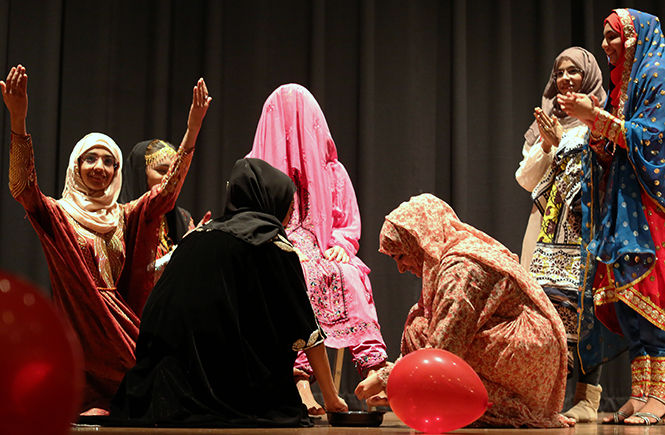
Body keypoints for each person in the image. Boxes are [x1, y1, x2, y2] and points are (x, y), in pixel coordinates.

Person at [2, 64, 211, 414]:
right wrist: (18, 121)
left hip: (121, 326)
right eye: (90, 159)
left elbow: (166, 194)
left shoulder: (125, 215)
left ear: (117, 172)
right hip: (79, 325)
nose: (100, 167)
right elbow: (21, 187)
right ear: (75, 166)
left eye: (109, 162)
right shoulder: (58, 214)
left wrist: (192, 130)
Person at [92, 158, 347, 427]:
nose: (289, 215)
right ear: (273, 201)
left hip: (156, 391)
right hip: (230, 394)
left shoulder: (196, 237)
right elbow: (305, 328)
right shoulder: (271, 243)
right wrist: (331, 399)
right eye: (290, 207)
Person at [355, 194, 573, 428]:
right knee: (421, 321)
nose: (400, 268)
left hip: (527, 351)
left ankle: (492, 408)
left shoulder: (460, 269)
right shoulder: (458, 251)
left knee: (420, 330)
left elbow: (444, 346)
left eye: (401, 255)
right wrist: (397, 382)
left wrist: (387, 378)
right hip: (529, 350)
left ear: (421, 240)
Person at [247, 84, 387, 413]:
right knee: (300, 274)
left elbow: (347, 222)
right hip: (274, 249)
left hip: (324, 246)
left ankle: (373, 369)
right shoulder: (256, 171)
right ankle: (300, 380)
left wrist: (340, 244)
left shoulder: (332, 172)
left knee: (352, 275)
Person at [558, 8, 665, 426]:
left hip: (648, 206)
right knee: (629, 306)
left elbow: (653, 142)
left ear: (636, 38)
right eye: (604, 38)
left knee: (652, 300)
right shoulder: (624, 85)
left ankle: (660, 396)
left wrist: (596, 119)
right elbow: (614, 147)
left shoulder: (656, 75)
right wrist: (596, 128)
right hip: (622, 205)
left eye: (613, 37)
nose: (605, 46)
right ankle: (641, 394)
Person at [515, 47, 607, 422]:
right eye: (560, 72)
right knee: (546, 311)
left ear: (588, 76)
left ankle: (588, 397)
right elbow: (525, 178)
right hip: (546, 229)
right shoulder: (545, 122)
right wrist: (549, 146)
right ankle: (548, 397)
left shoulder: (601, 117)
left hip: (589, 226)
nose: (566, 78)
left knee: (588, 310)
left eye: (574, 71)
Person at [119, 139, 210, 294]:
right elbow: (135, 275)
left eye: (174, 171)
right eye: (162, 171)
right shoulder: (121, 217)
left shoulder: (183, 217)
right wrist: (179, 253)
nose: (171, 178)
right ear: (140, 174)